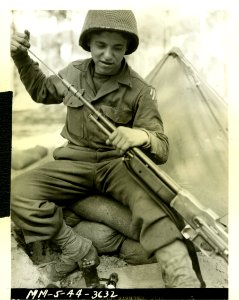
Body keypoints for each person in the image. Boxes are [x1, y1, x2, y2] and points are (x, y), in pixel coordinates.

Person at [11, 10, 201, 287]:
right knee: (16, 191)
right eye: (101, 45)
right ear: (89, 44)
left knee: (150, 206)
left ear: (127, 49)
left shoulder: (140, 89)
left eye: (117, 48)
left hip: (117, 166)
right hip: (73, 162)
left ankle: (182, 277)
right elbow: (42, 91)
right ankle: (75, 247)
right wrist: (21, 57)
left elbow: (162, 147)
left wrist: (141, 136)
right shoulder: (73, 72)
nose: (108, 55)